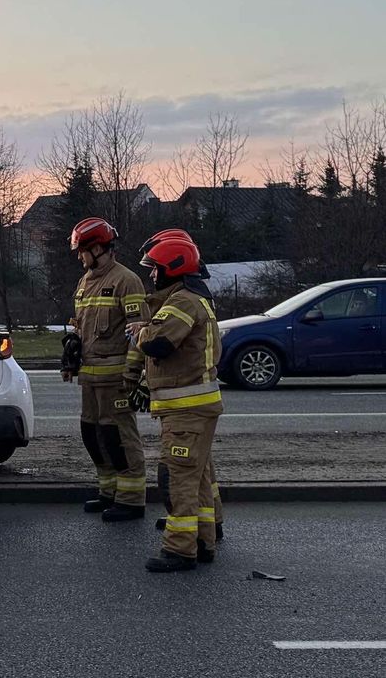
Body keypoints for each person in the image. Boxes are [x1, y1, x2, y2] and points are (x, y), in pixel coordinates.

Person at [132, 235, 224, 572]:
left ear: (173, 268)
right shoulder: (192, 299)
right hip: (194, 407)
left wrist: (138, 333)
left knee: (177, 480)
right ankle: (202, 541)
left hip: (186, 410)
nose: (152, 275)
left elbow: (158, 343)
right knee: (196, 479)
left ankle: (179, 550)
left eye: (156, 269)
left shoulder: (181, 302)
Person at [62, 217, 147, 522]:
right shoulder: (84, 283)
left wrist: (133, 374)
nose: (79, 256)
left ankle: (132, 499)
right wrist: (71, 357)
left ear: (98, 248)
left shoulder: (127, 281)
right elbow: (82, 329)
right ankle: (108, 491)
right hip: (89, 378)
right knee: (92, 434)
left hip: (117, 380)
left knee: (118, 437)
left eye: (82, 250)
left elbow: (140, 332)